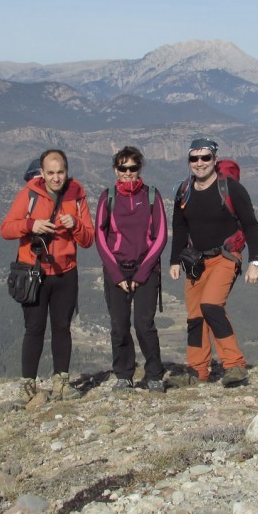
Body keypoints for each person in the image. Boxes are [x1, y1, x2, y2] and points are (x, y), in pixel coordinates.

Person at [0, 149, 94, 404]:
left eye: (60, 172)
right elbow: (6, 229)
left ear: (66, 170)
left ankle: (61, 382)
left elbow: (88, 239)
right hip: (35, 272)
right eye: (50, 173)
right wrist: (32, 225)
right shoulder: (29, 194)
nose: (55, 177)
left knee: (62, 328)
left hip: (66, 272)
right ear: (42, 173)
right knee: (35, 329)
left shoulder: (77, 195)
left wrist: (74, 224)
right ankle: (28, 386)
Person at [168, 137, 258, 387]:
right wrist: (175, 260)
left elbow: (251, 224)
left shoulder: (231, 188)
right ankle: (197, 370)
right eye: (194, 158)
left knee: (211, 305)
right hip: (195, 261)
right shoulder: (183, 190)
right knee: (195, 315)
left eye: (205, 158)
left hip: (225, 257)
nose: (199, 163)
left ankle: (234, 365)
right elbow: (179, 226)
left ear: (215, 159)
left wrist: (255, 262)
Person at [95, 146, 168, 394]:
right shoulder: (108, 197)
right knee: (119, 324)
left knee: (144, 323)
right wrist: (116, 275)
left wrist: (140, 274)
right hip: (117, 269)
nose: (128, 173)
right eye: (123, 168)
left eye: (133, 168)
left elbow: (160, 239)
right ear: (116, 170)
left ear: (140, 169)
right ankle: (124, 375)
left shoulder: (152, 196)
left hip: (145, 270)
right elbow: (100, 238)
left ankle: (154, 374)